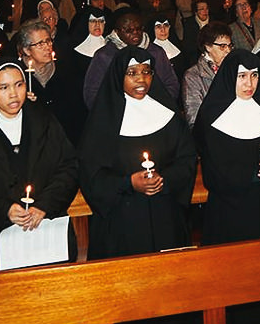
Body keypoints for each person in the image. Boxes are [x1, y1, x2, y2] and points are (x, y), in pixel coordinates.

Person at [79, 46, 197, 260]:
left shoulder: (168, 116)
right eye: (132, 73)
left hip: (166, 217)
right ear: (118, 75)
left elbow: (186, 160)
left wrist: (165, 179)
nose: (141, 80)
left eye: (146, 72)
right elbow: (92, 175)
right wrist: (128, 183)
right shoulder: (102, 122)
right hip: (121, 222)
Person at [0, 59, 78, 273]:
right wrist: (4, 209)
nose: (14, 94)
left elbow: (69, 168)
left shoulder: (45, 121)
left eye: (19, 84)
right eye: (4, 87)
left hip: (46, 233)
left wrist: (44, 205)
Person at [194, 49, 260, 246]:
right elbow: (213, 167)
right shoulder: (212, 115)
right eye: (242, 76)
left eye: (254, 75)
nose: (249, 84)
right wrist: (250, 174)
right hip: (230, 210)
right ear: (230, 76)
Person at [83, 9, 179, 108]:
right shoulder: (104, 56)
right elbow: (92, 93)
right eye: (128, 30)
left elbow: (171, 84)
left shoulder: (156, 52)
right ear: (116, 31)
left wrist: (156, 106)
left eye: (138, 29)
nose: (135, 33)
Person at [18, 19, 87, 146]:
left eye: (48, 41)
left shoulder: (66, 72)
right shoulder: (18, 77)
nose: (47, 47)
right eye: (40, 44)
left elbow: (79, 115)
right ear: (27, 50)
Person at [182, 21, 233, 128]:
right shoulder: (193, 76)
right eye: (222, 46)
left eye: (229, 46)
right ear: (208, 47)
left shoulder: (234, 68)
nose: (228, 51)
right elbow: (193, 118)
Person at [146, 15, 186, 80]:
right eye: (158, 27)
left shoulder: (178, 46)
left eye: (166, 26)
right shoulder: (149, 51)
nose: (163, 30)